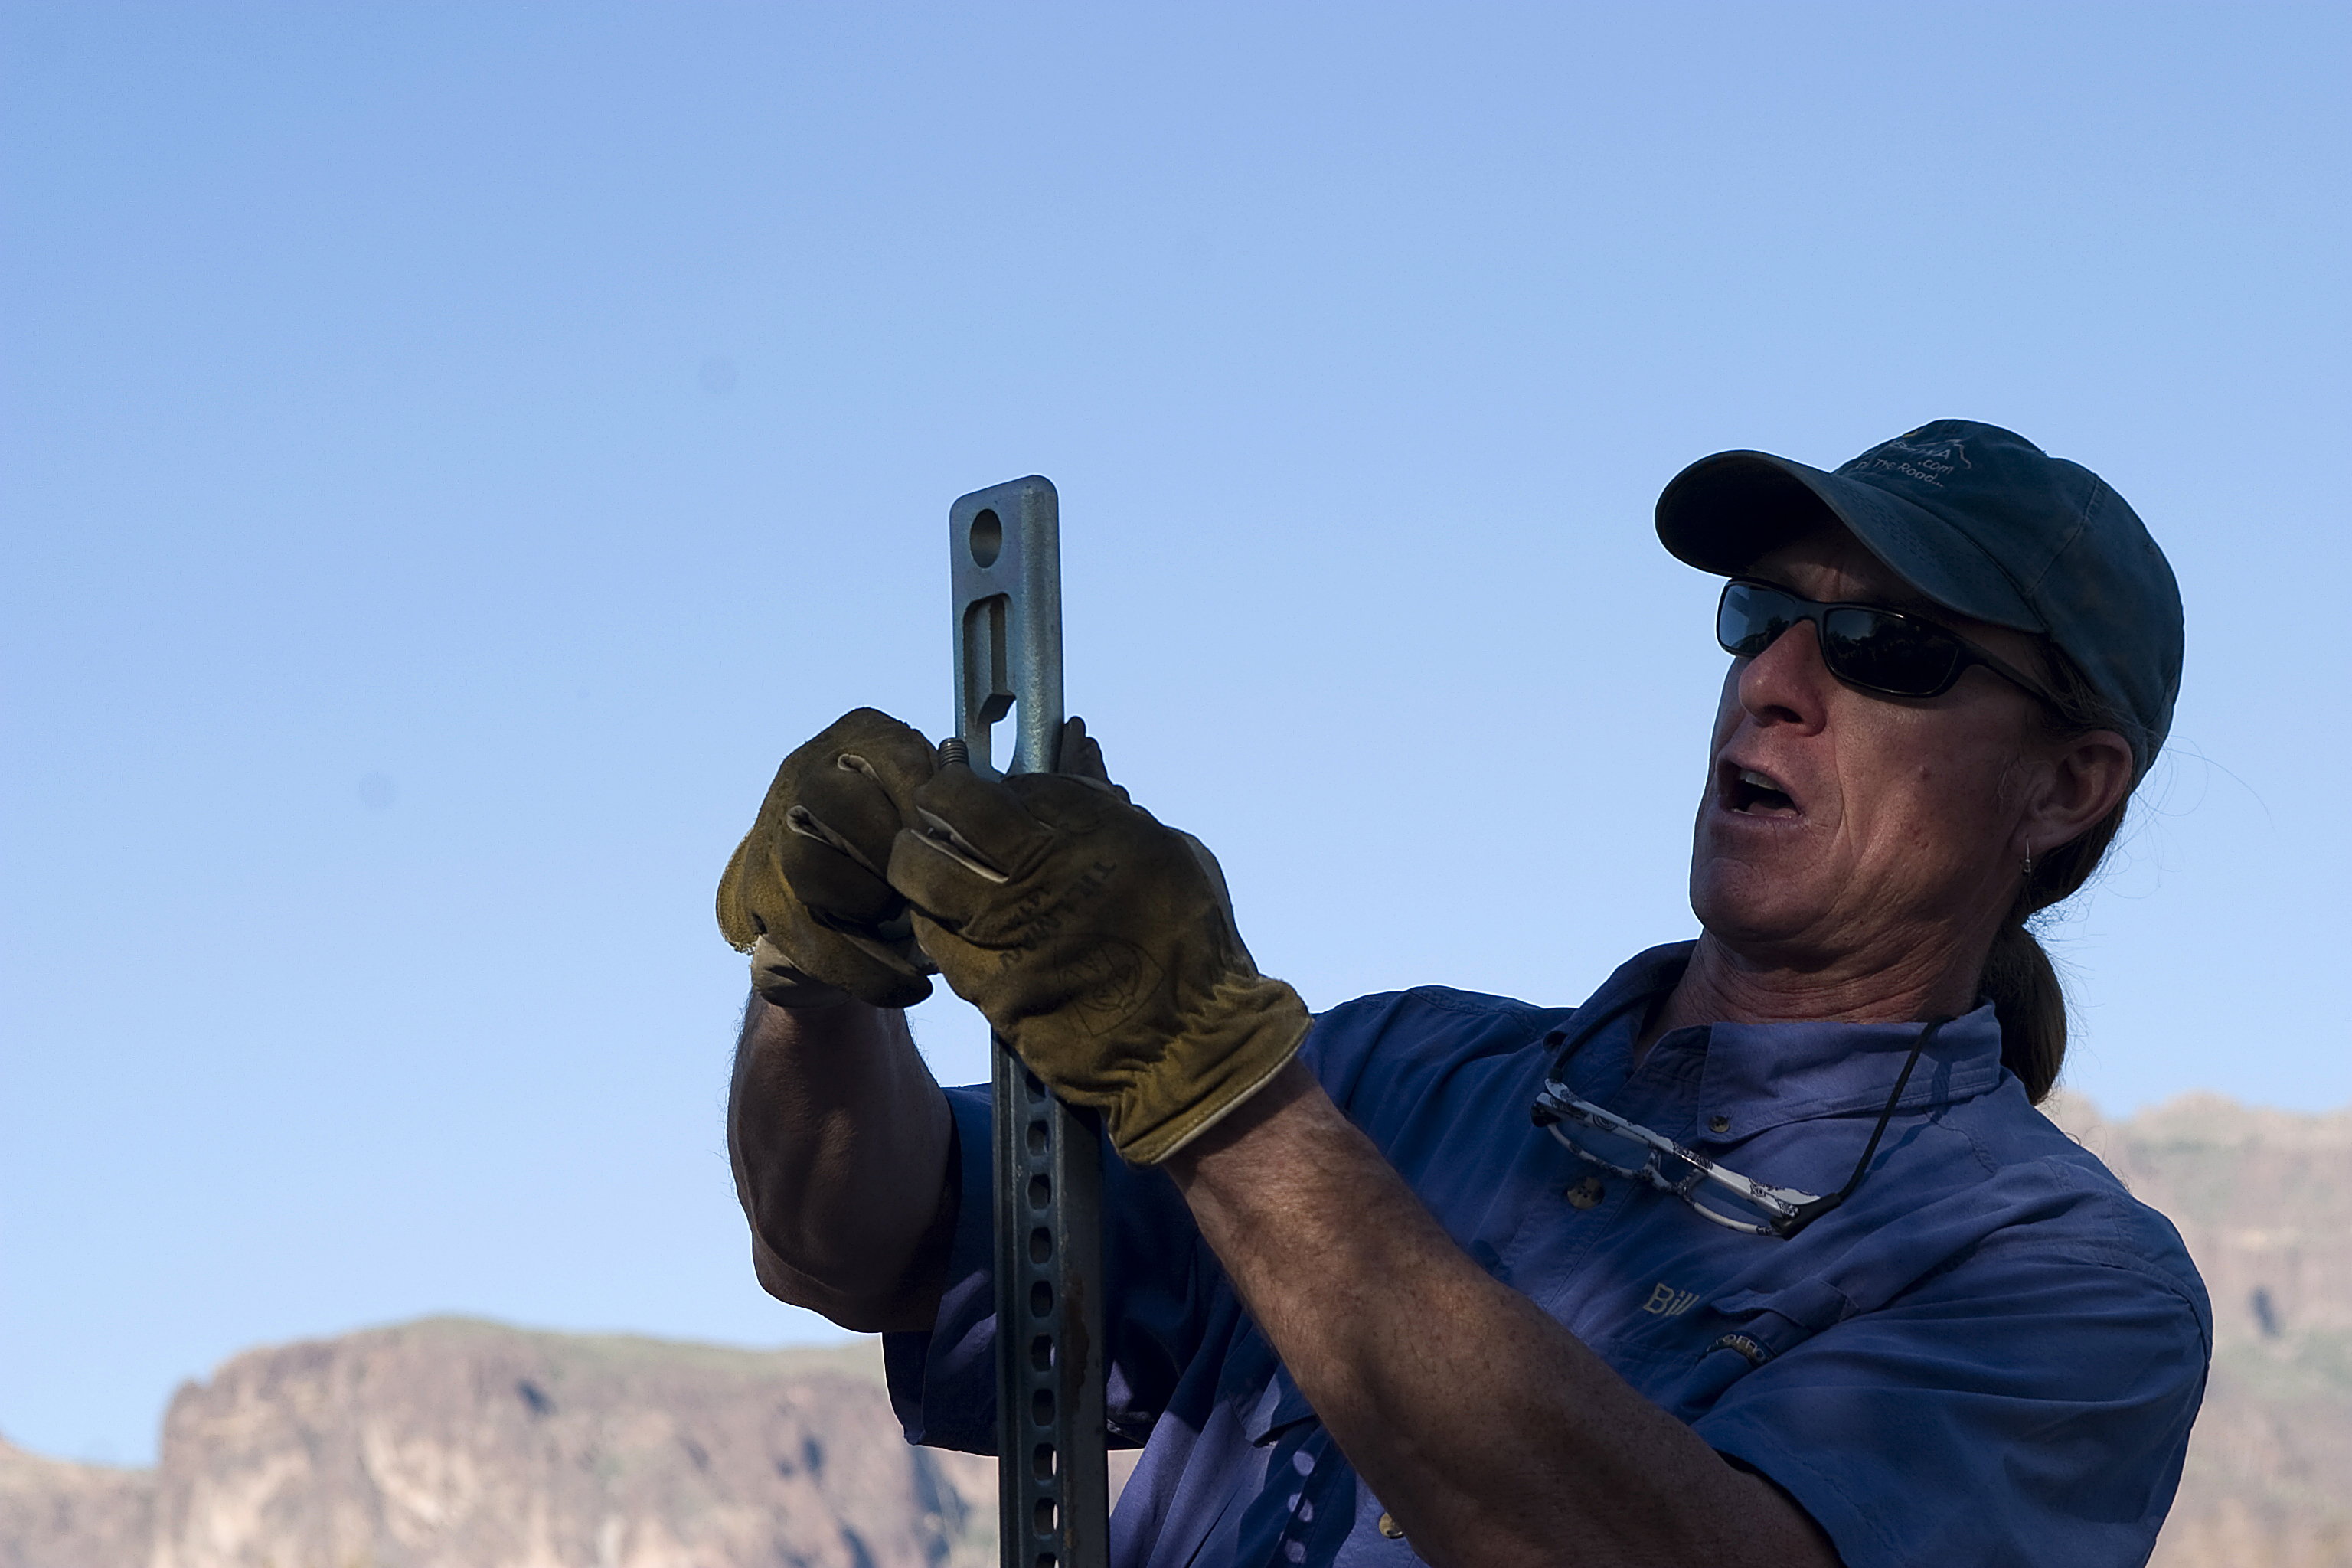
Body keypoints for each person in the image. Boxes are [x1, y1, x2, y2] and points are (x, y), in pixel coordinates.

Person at [720, 419, 2210, 1567]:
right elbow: (861, 1248)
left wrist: (1215, 1088)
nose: (1776, 681)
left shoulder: (2069, 1287)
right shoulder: (1404, 1069)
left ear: (2068, 787)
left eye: (1892, 647)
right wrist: (819, 980)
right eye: (1760, 614)